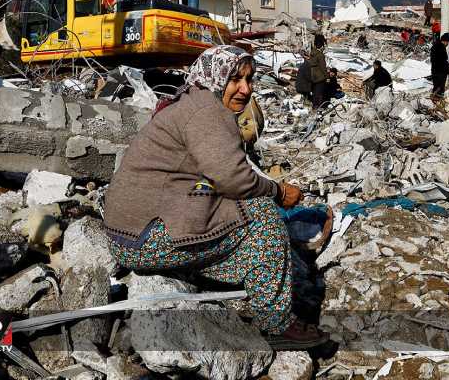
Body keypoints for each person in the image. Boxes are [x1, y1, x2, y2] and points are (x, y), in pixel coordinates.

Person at [103, 45, 327, 350]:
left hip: (128, 234)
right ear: (216, 77)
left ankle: (223, 273)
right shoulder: (207, 112)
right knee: (261, 216)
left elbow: (215, 176)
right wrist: (279, 192)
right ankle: (276, 323)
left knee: (226, 207)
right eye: (235, 79)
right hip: (144, 238)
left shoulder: (192, 101)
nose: (245, 89)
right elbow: (234, 179)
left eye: (250, 80)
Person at [307, 33, 328, 109]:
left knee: (314, 93)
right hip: (319, 77)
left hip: (312, 76)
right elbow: (323, 67)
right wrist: (327, 76)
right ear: (321, 45)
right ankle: (317, 108)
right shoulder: (320, 55)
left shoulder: (312, 54)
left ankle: (313, 106)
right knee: (319, 94)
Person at [430, 32, 449, 98]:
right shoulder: (441, 48)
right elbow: (443, 61)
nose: (448, 44)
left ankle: (434, 98)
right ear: (445, 41)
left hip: (434, 70)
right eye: (448, 42)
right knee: (439, 89)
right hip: (441, 72)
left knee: (436, 86)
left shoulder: (435, 46)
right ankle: (437, 100)